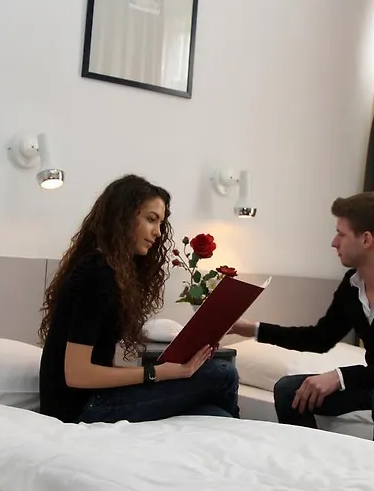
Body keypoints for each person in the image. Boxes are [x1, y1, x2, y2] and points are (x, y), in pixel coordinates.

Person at [230, 192, 374, 450]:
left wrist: (340, 376)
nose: (334, 242)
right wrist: (252, 329)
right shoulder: (352, 285)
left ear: (366, 239)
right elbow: (320, 338)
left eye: (341, 234)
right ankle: (312, 463)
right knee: (289, 389)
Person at [38, 174, 239, 424]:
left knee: (214, 415)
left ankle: (232, 433)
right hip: (78, 408)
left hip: (93, 399)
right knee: (222, 372)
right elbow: (76, 374)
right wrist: (158, 373)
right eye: (151, 219)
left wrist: (167, 373)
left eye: (161, 223)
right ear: (122, 217)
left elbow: (100, 367)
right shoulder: (97, 272)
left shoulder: (109, 270)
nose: (158, 232)